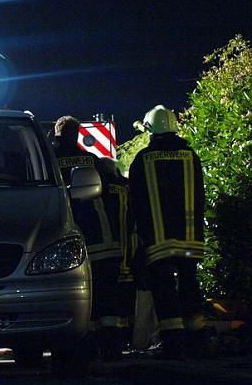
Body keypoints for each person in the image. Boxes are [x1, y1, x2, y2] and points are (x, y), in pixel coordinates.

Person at [128, 105, 206, 358]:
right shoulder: (191, 155)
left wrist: (136, 235)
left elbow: (135, 200)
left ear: (150, 130)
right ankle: (196, 340)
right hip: (190, 238)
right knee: (189, 285)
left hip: (158, 240)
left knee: (164, 288)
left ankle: (173, 343)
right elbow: (201, 196)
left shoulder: (142, 159)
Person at [53, 115, 125, 358]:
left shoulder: (52, 163)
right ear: (78, 134)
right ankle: (112, 348)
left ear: (57, 135)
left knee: (83, 298)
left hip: (75, 243)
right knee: (108, 298)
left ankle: (87, 347)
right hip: (105, 239)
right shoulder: (93, 161)